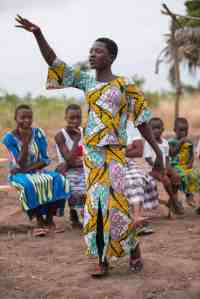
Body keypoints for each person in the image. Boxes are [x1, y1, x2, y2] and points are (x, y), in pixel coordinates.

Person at [15, 15, 164, 277]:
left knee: (117, 205)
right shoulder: (86, 81)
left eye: (98, 51)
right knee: (95, 205)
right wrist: (38, 34)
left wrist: (158, 149)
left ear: (111, 57)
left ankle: (133, 248)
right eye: (91, 51)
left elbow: (141, 119)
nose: (92, 55)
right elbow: (55, 63)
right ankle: (101, 259)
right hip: (93, 154)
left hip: (115, 153)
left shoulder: (124, 85)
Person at [1, 104, 70, 237]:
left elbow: (44, 159)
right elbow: (18, 163)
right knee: (30, 184)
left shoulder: (38, 133)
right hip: (18, 175)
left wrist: (28, 169)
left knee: (59, 179)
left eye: (29, 117)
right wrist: (25, 143)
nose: (26, 120)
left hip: (35, 170)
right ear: (16, 118)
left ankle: (49, 219)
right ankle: (39, 221)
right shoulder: (9, 138)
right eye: (23, 117)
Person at [144, 117, 184, 217]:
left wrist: (167, 168)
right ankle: (175, 202)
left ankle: (171, 201)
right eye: (153, 128)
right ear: (149, 130)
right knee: (166, 179)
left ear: (163, 129)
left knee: (177, 177)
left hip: (164, 166)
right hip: (153, 169)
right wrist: (158, 168)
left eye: (158, 128)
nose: (156, 131)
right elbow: (148, 159)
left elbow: (166, 157)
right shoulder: (149, 143)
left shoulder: (165, 142)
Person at [125, 118, 159, 235]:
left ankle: (136, 218)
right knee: (126, 181)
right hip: (109, 164)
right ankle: (134, 220)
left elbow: (139, 151)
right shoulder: (105, 124)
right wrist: (128, 148)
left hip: (128, 163)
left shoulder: (130, 126)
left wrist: (120, 150)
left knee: (138, 178)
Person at [55, 104, 86, 228]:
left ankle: (85, 216)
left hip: (83, 167)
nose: (75, 121)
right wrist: (76, 140)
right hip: (69, 170)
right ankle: (74, 215)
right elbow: (69, 159)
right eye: (72, 118)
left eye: (78, 118)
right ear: (66, 118)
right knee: (74, 185)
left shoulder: (86, 131)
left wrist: (78, 162)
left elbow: (90, 154)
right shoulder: (60, 136)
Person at [169, 117, 200, 208]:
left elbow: (191, 155)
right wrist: (180, 143)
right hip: (175, 166)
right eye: (181, 130)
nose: (184, 133)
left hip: (185, 165)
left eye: (186, 130)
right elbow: (172, 153)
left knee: (194, 174)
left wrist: (190, 163)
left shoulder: (189, 142)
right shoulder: (172, 142)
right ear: (175, 130)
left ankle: (189, 196)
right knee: (181, 175)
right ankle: (183, 197)